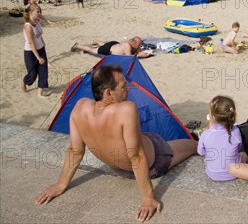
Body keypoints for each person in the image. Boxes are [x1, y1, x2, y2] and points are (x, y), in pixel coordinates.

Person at [35, 64, 198, 221]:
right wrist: (148, 198)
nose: (128, 89)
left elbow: (75, 151)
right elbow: (137, 156)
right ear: (108, 93)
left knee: (147, 135)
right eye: (123, 86)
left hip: (119, 169)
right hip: (156, 160)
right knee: (192, 145)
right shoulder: (126, 109)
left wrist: (60, 185)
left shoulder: (80, 107)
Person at [198, 96, 246, 181]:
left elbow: (201, 152)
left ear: (212, 117)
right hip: (234, 173)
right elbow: (238, 148)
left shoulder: (205, 134)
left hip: (212, 173)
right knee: (243, 154)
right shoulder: (235, 131)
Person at [22, 3, 50, 98]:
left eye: (39, 12)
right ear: (30, 13)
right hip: (30, 52)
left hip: (40, 48)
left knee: (43, 71)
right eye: (37, 12)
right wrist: (38, 57)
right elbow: (31, 42)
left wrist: (43, 42)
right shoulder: (28, 26)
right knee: (32, 73)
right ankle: (25, 82)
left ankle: (39, 93)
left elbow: (39, 34)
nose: (39, 14)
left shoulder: (37, 21)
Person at [70, 36, 152, 58]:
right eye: (138, 44)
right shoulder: (127, 45)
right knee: (91, 50)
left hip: (113, 44)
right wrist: (139, 55)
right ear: (134, 43)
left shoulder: (129, 42)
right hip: (108, 49)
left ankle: (96, 41)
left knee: (104, 44)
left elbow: (137, 49)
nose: (139, 46)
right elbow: (129, 57)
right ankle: (78, 45)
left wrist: (140, 51)